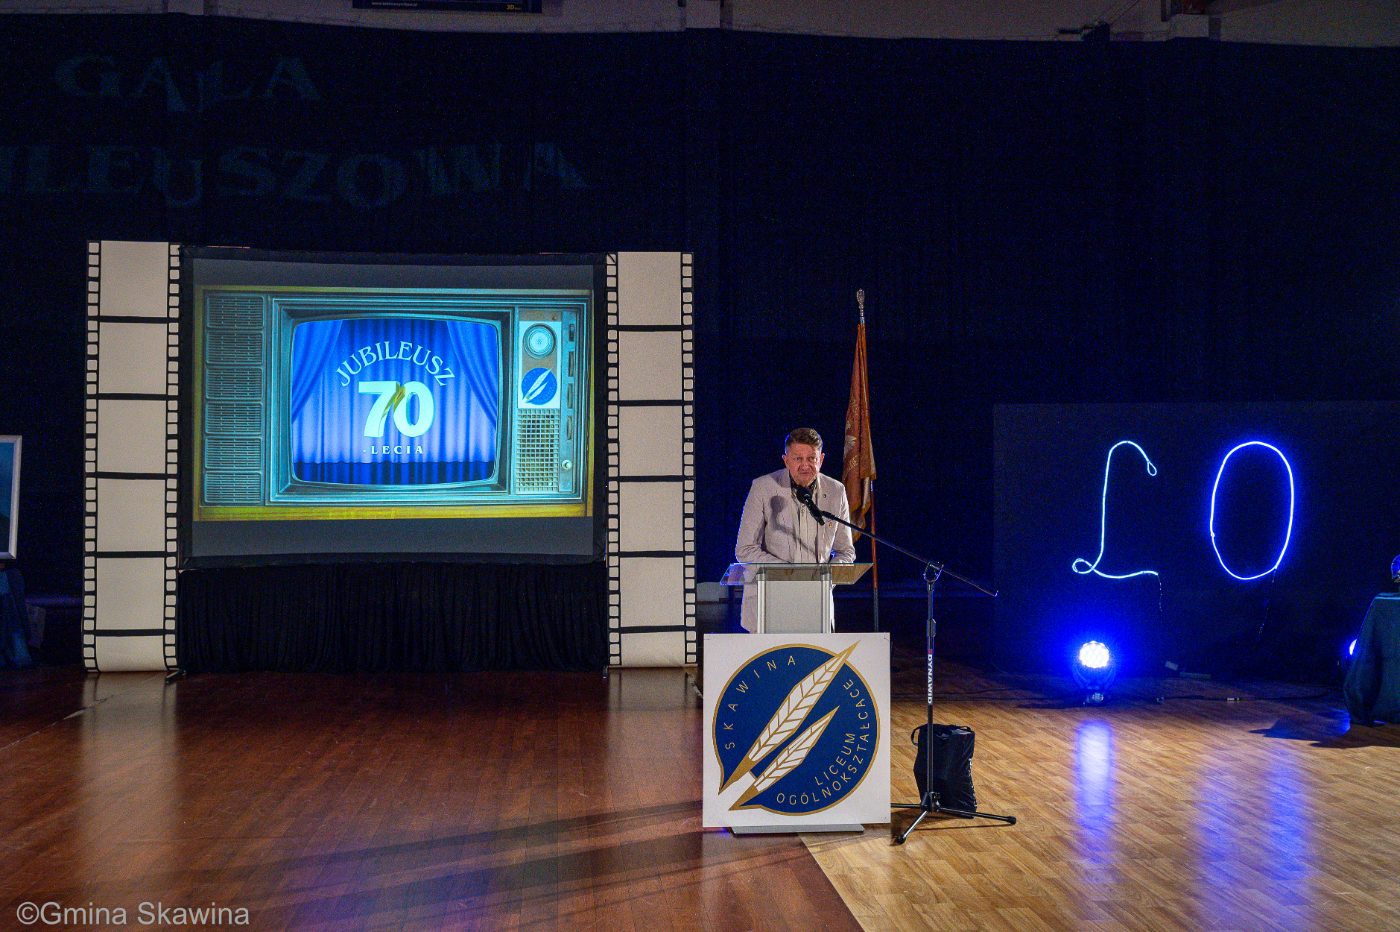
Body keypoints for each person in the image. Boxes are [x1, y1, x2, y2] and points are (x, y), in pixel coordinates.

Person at [734, 427, 855, 631]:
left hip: (816, 604)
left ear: (821, 459)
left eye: (811, 458)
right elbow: (745, 549)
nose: (805, 465)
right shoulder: (763, 488)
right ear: (786, 460)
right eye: (798, 459)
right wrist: (787, 573)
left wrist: (826, 578)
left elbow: (846, 551)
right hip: (770, 601)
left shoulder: (836, 491)